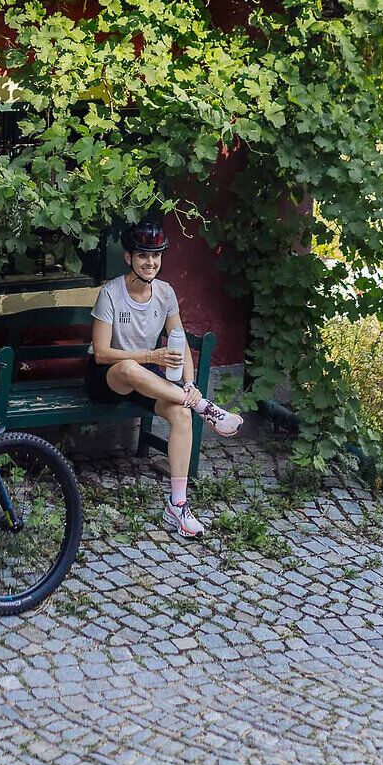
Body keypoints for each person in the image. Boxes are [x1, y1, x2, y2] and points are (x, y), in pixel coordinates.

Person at [86, 217, 243, 539]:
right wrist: (148, 357)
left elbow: (179, 339)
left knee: (181, 414)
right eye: (143, 255)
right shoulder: (111, 293)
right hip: (109, 377)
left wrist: (188, 382)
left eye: (156, 255)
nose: (151, 262)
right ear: (129, 257)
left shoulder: (166, 293)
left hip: (149, 378)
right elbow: (101, 352)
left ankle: (178, 505)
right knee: (131, 368)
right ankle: (206, 408)